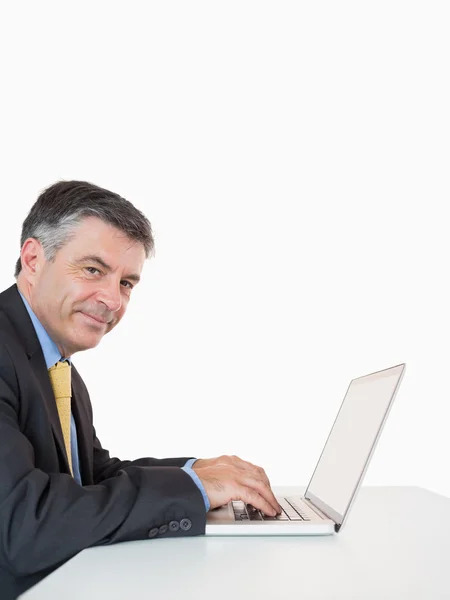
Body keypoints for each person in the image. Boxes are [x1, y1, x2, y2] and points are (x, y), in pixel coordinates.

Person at [0, 181, 281, 599]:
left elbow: (90, 478)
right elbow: (25, 524)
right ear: (34, 258)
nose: (113, 300)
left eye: (127, 283)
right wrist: (195, 491)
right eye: (93, 270)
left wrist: (197, 471)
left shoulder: (56, 366)